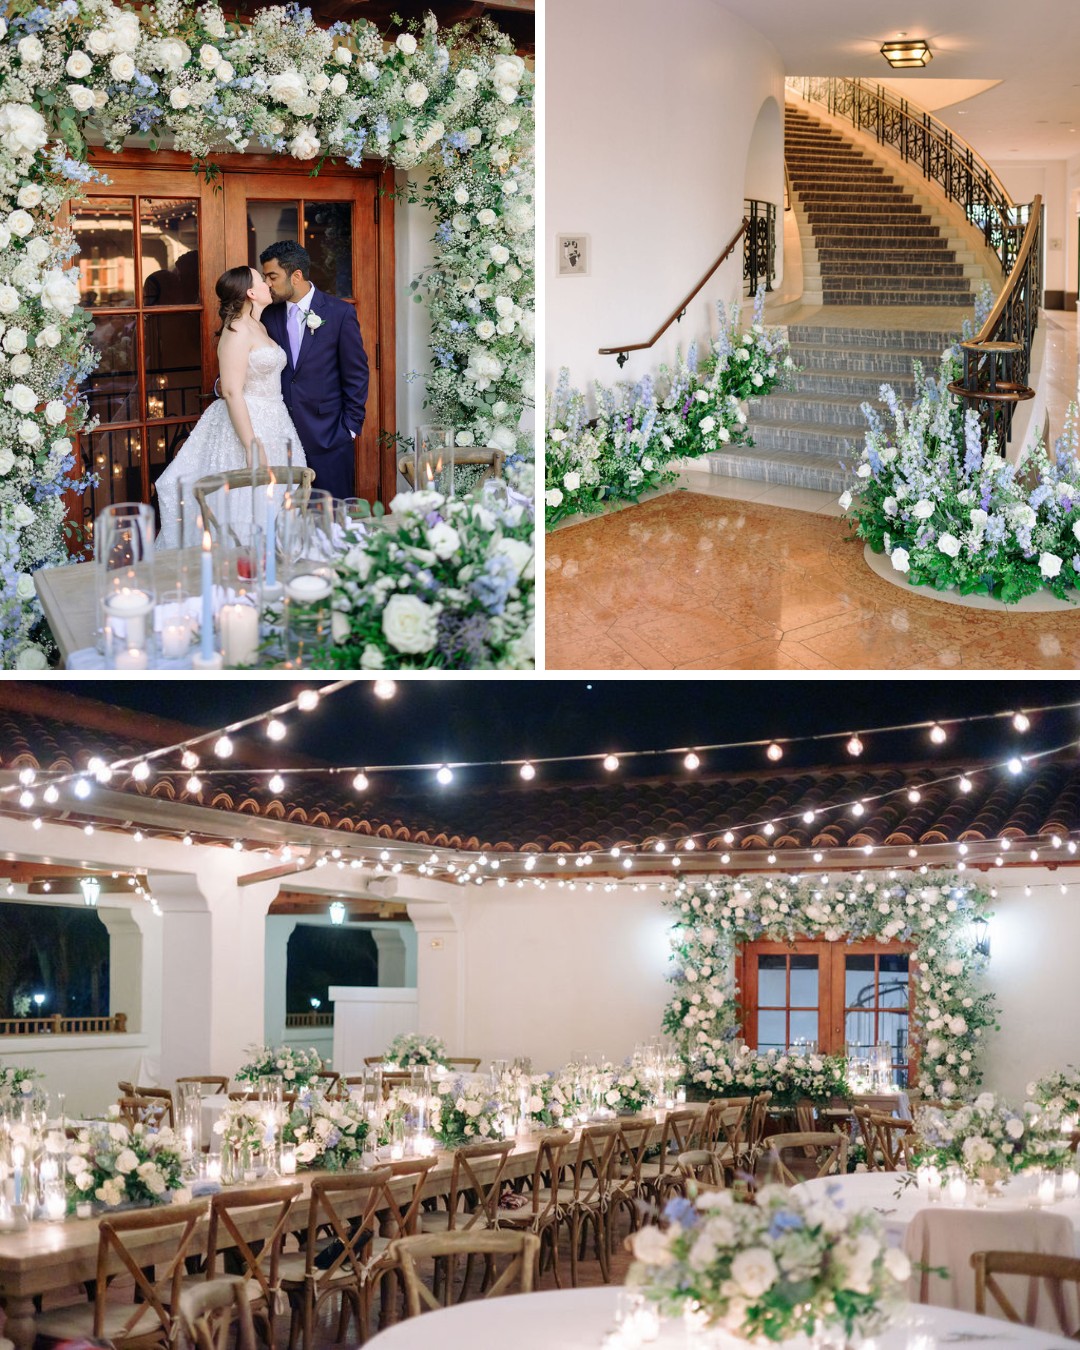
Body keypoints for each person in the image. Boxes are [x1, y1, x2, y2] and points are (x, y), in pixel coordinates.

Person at [154, 266, 306, 549]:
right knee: (247, 498)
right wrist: (251, 444)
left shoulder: (258, 326)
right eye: (262, 280)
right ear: (250, 292)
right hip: (248, 421)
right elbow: (232, 390)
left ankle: (277, 562)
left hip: (275, 417)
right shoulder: (236, 328)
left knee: (276, 496)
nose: (267, 284)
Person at [259, 240, 368, 499]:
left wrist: (350, 429)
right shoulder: (267, 315)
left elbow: (357, 374)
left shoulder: (339, 313)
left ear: (296, 276)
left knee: (332, 519)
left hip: (329, 437)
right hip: (280, 439)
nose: (267, 284)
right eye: (264, 277)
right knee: (287, 521)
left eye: (272, 276)